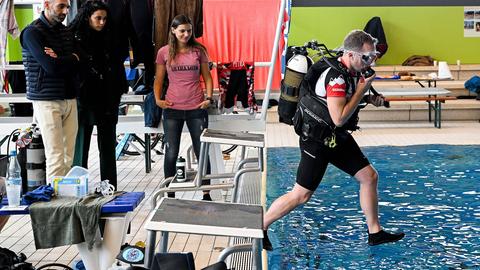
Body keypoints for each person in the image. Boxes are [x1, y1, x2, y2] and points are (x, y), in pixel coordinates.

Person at [263, 30, 405, 250]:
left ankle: (375, 233)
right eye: (366, 57)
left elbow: (340, 105)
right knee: (301, 195)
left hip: (333, 138)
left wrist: (368, 98)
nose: (370, 61)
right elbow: (338, 118)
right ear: (350, 54)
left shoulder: (350, 71)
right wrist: (361, 91)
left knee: (369, 177)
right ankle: (260, 226)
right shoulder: (336, 77)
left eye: (372, 56)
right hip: (317, 141)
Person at [154, 14, 213, 200]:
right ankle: (169, 193)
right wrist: (158, 99)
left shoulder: (199, 51)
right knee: (171, 151)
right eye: (182, 31)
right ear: (173, 31)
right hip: (172, 108)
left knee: (201, 150)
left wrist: (209, 98)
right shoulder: (164, 52)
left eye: (188, 31)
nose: (186, 34)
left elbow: (208, 77)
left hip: (196, 107)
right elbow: (159, 79)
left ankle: (206, 193)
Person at [70, 0, 127, 189]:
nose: (102, 22)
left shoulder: (113, 35)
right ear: (88, 17)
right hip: (84, 96)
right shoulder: (74, 36)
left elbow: (118, 63)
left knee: (108, 146)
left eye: (104, 18)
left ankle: (110, 187)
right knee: (80, 146)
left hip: (108, 96)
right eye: (98, 18)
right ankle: (78, 187)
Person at [20, 0, 79, 180]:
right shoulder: (32, 32)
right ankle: (54, 204)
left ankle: (65, 199)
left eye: (67, 7)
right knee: (55, 156)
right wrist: (71, 58)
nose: (65, 11)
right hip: (46, 99)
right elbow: (50, 66)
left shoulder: (66, 31)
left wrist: (63, 58)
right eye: (61, 6)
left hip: (69, 97)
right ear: (47, 4)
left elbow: (83, 59)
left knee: (69, 157)